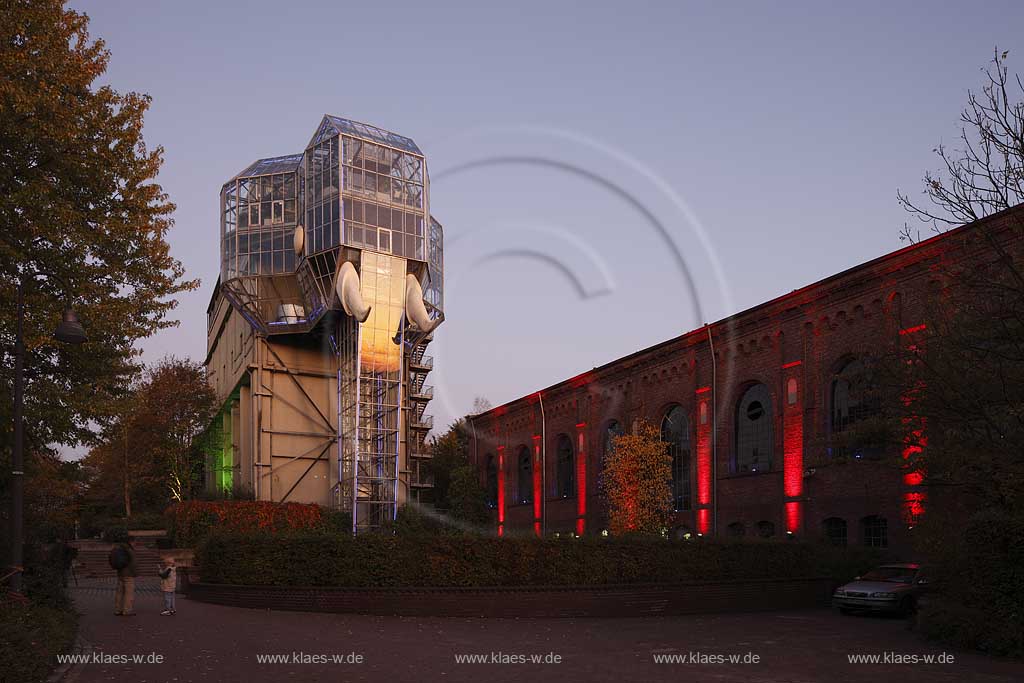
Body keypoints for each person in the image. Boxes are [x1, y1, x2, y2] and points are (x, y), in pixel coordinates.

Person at [108, 535, 137, 616]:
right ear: (131, 541)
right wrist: (135, 573)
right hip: (128, 574)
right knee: (129, 593)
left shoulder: (119, 548)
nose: (135, 544)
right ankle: (127, 610)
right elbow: (133, 563)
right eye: (135, 542)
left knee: (119, 592)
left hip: (120, 572)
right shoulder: (128, 549)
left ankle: (118, 610)